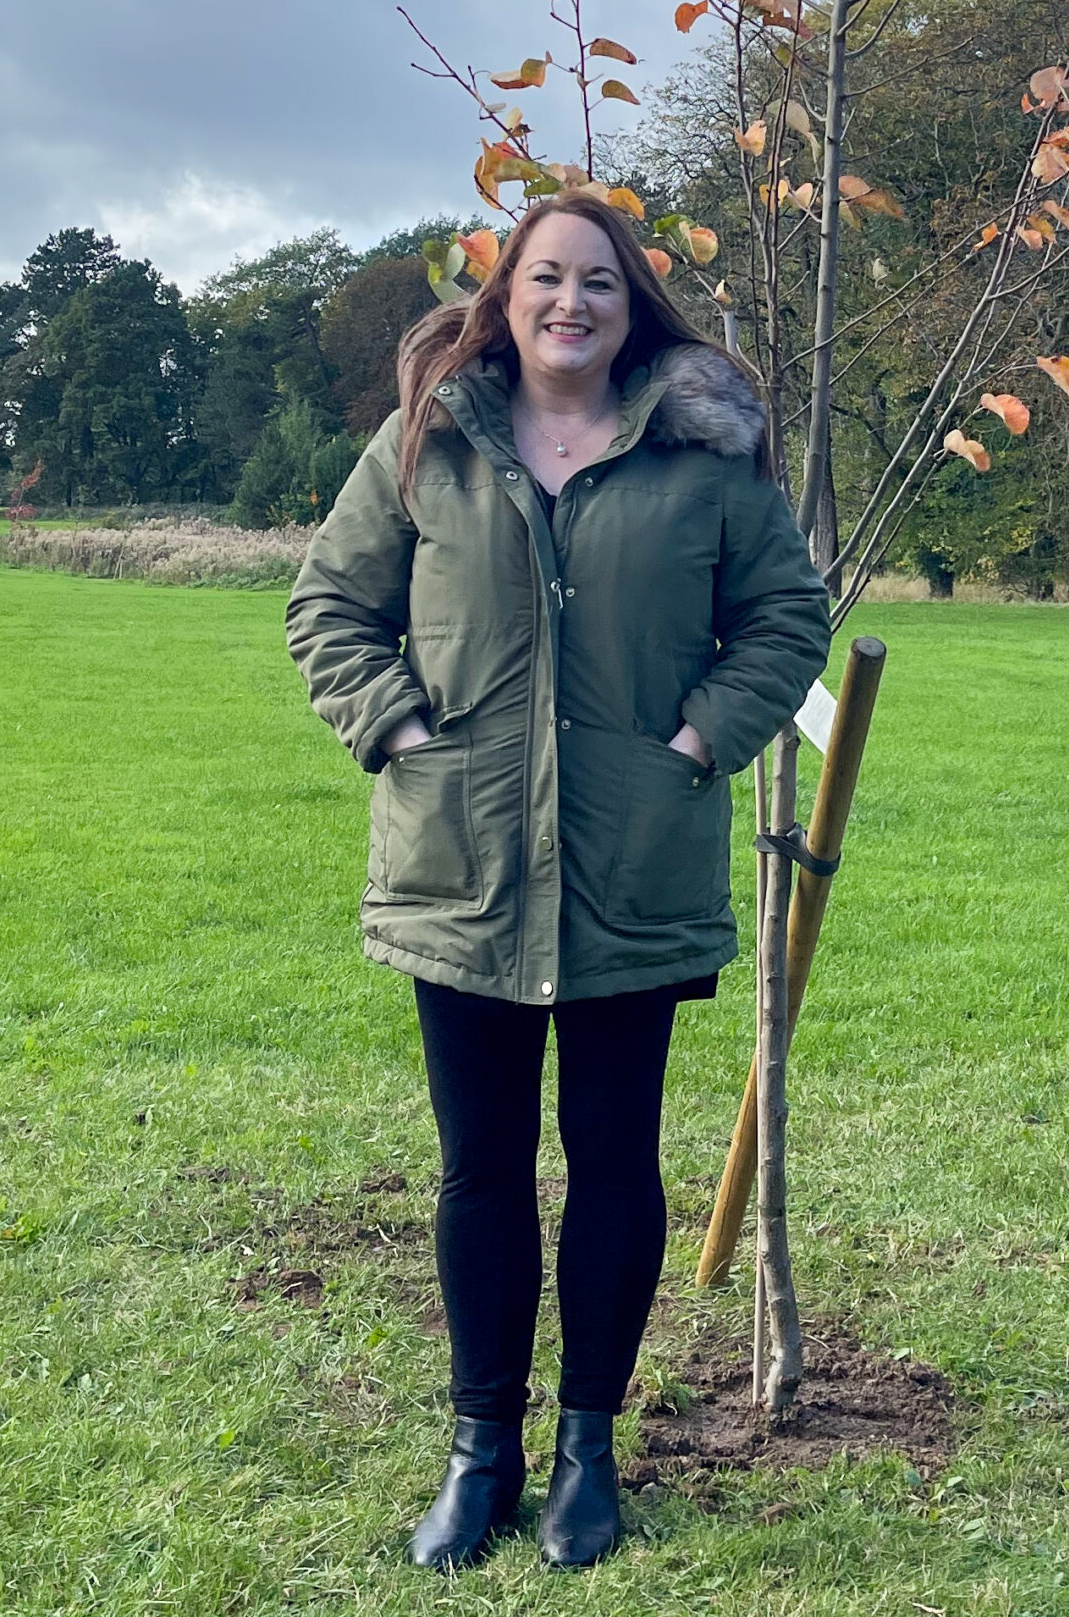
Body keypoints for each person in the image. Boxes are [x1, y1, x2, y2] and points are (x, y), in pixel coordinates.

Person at [285, 192, 831, 1570]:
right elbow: (328, 608)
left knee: (612, 1163)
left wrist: (700, 741)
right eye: (546, 278)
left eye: (598, 281)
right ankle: (483, 1454)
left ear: (631, 303)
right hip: (458, 866)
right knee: (479, 1172)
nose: (570, 303)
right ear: (506, 295)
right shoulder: (427, 444)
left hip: (632, 871)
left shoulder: (706, 463)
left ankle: (588, 1450)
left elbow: (786, 617)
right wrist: (402, 731)